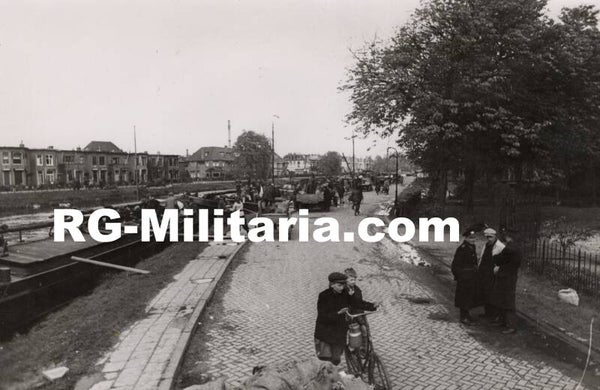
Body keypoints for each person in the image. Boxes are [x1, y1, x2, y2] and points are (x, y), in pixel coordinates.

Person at [314, 272, 351, 366]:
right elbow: (322, 316)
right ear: (332, 285)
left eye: (343, 285)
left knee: (336, 359)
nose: (342, 288)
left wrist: (372, 306)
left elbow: (355, 304)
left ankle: (333, 377)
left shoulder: (345, 293)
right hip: (325, 333)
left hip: (339, 333)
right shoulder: (323, 296)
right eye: (339, 285)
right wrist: (338, 313)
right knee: (325, 360)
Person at [490, 228, 522, 334]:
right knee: (505, 299)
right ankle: (505, 322)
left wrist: (495, 256)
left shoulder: (509, 248)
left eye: (506, 236)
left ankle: (510, 325)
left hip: (505, 276)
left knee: (507, 300)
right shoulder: (517, 247)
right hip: (511, 276)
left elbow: (499, 259)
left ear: (509, 237)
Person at [451, 228, 479, 325]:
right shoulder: (462, 249)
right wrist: (459, 276)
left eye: (474, 238)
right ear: (466, 238)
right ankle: (463, 317)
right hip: (464, 277)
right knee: (463, 297)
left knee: (469, 296)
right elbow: (455, 264)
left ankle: (467, 314)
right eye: (471, 238)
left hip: (471, 276)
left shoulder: (472, 247)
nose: (473, 240)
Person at [477, 227, 505, 319]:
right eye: (487, 237)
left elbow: (504, 261)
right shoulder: (486, 245)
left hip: (492, 272)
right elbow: (482, 257)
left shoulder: (500, 246)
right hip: (484, 272)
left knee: (492, 293)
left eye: (490, 237)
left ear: (494, 236)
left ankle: (493, 314)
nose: (489, 239)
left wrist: (498, 268)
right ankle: (487, 312)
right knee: (484, 292)